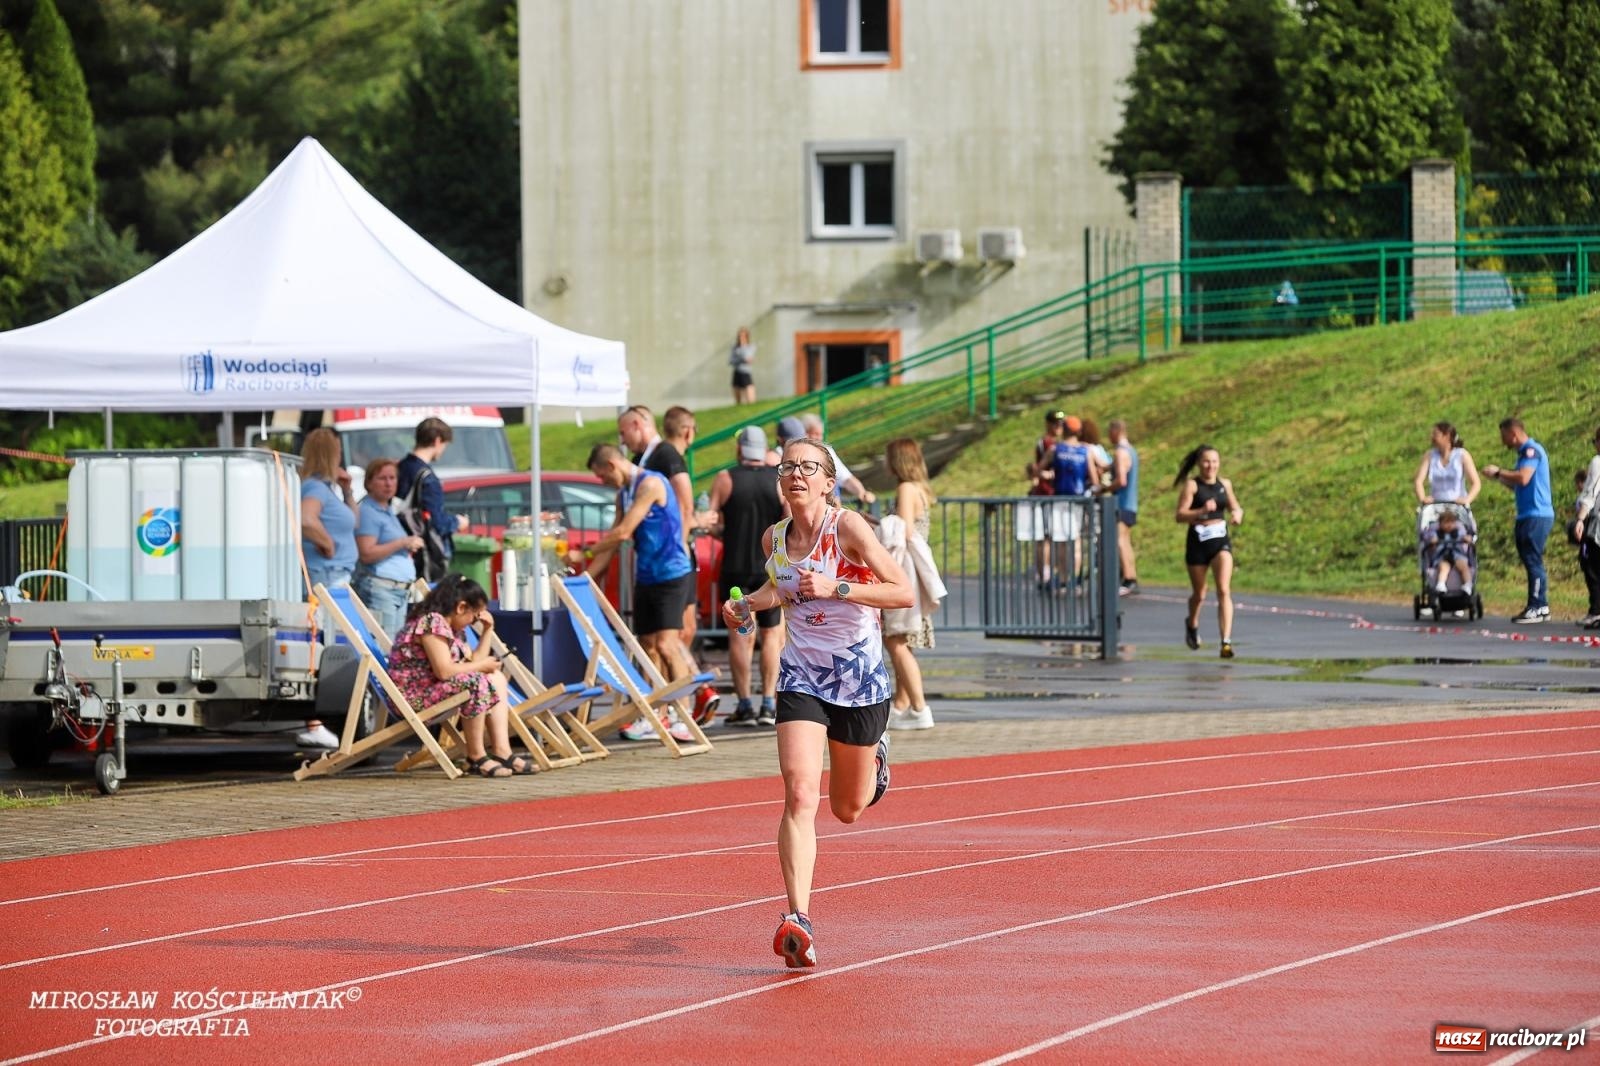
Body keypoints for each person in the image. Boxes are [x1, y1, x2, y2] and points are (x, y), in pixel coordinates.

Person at [718, 437, 913, 969]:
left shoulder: (848, 529)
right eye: (788, 466)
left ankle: (875, 761)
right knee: (801, 792)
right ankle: (798, 918)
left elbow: (901, 592)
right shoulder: (774, 538)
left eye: (808, 467)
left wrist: (837, 587)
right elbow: (779, 590)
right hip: (802, 676)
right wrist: (747, 606)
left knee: (847, 809)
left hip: (859, 681)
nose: (796, 474)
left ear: (829, 482)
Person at [584, 443, 697, 742]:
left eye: (602, 476)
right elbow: (613, 541)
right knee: (647, 647)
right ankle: (656, 714)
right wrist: (586, 576)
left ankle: (684, 716)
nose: (603, 482)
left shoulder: (651, 484)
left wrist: (584, 552)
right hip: (646, 576)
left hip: (672, 573)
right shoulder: (623, 493)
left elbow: (623, 533)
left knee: (667, 645)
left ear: (612, 465)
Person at [620, 404, 720, 724]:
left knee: (676, 634)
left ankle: (684, 701)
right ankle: (679, 700)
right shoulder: (649, 459)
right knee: (664, 638)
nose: (622, 439)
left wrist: (683, 537)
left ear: (638, 424)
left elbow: (683, 507)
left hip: (671, 562)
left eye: (623, 432)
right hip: (661, 563)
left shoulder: (664, 456)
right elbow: (685, 511)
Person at [387, 575, 531, 777]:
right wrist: (481, 666)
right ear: (461, 607)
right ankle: (476, 757)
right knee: (476, 682)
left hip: (433, 690)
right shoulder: (432, 623)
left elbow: (474, 661)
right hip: (413, 697)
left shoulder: (453, 628)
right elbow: (444, 671)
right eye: (475, 615)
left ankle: (502, 751)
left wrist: (488, 631)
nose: (474, 621)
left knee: (496, 677)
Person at [706, 426, 786, 726]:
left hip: (736, 569)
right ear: (763, 450)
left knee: (741, 637)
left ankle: (744, 705)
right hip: (770, 568)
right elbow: (787, 520)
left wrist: (724, 530)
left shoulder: (725, 478)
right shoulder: (777, 479)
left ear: (740, 449)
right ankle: (768, 703)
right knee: (771, 636)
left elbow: (711, 520)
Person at [297, 427, 358, 749]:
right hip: (326, 576)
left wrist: (347, 491)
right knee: (325, 646)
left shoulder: (326, 488)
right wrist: (327, 543)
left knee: (332, 646)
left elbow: (354, 522)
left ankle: (319, 721)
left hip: (336, 575)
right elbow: (306, 519)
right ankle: (315, 722)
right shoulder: (314, 488)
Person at [880, 438, 944, 731]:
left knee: (895, 640)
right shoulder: (919, 487)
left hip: (904, 570)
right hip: (913, 571)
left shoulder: (906, 488)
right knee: (903, 641)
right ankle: (902, 704)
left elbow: (902, 530)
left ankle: (919, 707)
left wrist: (878, 526)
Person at [1174, 443, 1244, 658]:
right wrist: (1201, 511)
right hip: (1198, 543)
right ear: (1199, 463)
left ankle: (1226, 641)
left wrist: (1237, 514)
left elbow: (1235, 506)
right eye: (1206, 462)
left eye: (1214, 462)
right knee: (1200, 594)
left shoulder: (1225, 484)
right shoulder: (1192, 486)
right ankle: (1192, 623)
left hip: (1220, 542)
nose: (1210, 466)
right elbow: (1180, 515)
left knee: (1223, 589)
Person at [1483, 417, 1554, 623]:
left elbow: (1523, 477)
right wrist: (1499, 477)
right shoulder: (1523, 455)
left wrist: (1499, 471)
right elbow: (1518, 485)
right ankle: (1540, 605)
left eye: (1504, 436)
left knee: (1533, 559)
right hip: (1526, 514)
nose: (1503, 441)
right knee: (1529, 559)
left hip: (1536, 513)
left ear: (1513, 434)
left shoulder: (1531, 451)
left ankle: (1537, 605)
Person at [353, 458, 423, 638]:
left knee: (394, 645)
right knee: (384, 644)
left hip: (398, 590)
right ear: (369, 483)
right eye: (382, 478)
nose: (389, 483)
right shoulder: (368, 511)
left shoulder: (387, 509)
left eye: (392, 478)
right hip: (382, 589)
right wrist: (402, 543)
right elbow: (366, 553)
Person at [396, 417, 467, 575]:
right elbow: (437, 523)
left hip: (397, 544)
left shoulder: (400, 467)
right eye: (444, 445)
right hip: (422, 553)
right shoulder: (428, 478)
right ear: (437, 441)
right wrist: (457, 522)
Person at [1048, 415, 1102, 590]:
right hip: (1078, 500)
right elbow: (1095, 479)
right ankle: (1075, 579)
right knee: (1075, 540)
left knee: (1061, 541)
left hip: (1059, 499)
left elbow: (1040, 469)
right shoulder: (1086, 451)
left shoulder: (1056, 449)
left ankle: (1064, 579)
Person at [799, 413, 876, 507]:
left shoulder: (827, 451)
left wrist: (862, 493)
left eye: (821, 434)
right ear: (804, 433)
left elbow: (846, 478)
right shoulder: (796, 453)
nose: (820, 438)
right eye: (815, 434)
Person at [1570, 428, 1600, 627]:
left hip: (1596, 525)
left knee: (1592, 568)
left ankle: (1596, 610)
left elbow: (1590, 492)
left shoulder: (1598, 461)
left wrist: (1580, 519)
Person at [1412, 421, 1481, 506]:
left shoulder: (1462, 455)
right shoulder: (1429, 456)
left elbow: (1476, 483)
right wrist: (1423, 499)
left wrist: (1467, 499)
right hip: (1435, 506)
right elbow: (1418, 481)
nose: (1432, 437)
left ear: (1447, 436)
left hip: (1457, 506)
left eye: (1436, 434)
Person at [1108, 418, 1140, 595]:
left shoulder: (1120, 452)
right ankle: (1131, 576)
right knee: (1126, 540)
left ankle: (1128, 578)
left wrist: (1104, 488)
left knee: (1120, 540)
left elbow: (1121, 480)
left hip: (1121, 502)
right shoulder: (1131, 451)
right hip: (1131, 503)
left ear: (1116, 431)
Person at [1422, 508, 1474, 595]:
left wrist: (1467, 539)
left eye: (1452, 522)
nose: (1449, 525)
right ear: (1440, 524)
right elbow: (1431, 541)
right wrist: (1433, 542)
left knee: (1464, 566)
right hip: (1442, 556)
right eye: (1446, 522)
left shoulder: (1459, 532)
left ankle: (1468, 584)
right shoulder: (1436, 533)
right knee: (1444, 567)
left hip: (1457, 554)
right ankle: (1441, 584)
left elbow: (1465, 537)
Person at [729, 327, 757, 405]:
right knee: (738, 401)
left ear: (747, 336)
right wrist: (742, 360)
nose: (741, 338)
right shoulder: (734, 347)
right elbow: (731, 361)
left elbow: (748, 358)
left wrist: (742, 347)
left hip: (746, 373)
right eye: (739, 336)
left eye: (743, 336)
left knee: (751, 400)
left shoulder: (751, 346)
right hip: (737, 372)